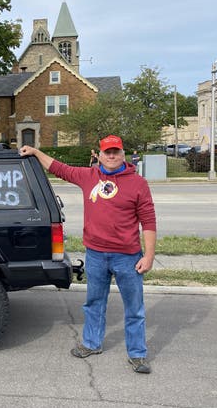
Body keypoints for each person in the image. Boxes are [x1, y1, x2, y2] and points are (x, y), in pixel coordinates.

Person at [19, 135, 156, 374]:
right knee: (94, 303)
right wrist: (35, 152)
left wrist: (149, 256)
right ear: (99, 155)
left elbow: (149, 221)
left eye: (116, 151)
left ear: (123, 154)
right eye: (107, 152)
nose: (111, 156)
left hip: (128, 257)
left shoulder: (138, 183)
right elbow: (59, 169)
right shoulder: (89, 176)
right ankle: (92, 343)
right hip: (95, 254)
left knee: (134, 307)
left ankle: (137, 353)